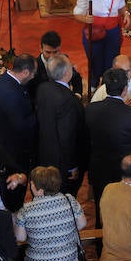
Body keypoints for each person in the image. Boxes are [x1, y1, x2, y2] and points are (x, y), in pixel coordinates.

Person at [85, 68, 131, 226]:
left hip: (99, 170)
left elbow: (84, 140)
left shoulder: (91, 109)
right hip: (125, 173)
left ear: (105, 87)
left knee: (102, 210)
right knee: (125, 214)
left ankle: (102, 247)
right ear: (125, 89)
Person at [14, 165, 88, 261]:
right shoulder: (69, 200)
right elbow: (82, 224)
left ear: (37, 187)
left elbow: (20, 237)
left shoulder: (26, 209)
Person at [73, 0, 131, 93]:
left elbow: (121, 5)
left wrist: (126, 14)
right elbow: (77, 13)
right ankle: (93, 82)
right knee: (95, 59)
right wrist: (85, 19)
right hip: (95, 31)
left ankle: (108, 85)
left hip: (113, 31)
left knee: (112, 60)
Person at [37, 54, 89, 196]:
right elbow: (67, 137)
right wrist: (72, 166)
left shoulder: (42, 89)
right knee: (66, 196)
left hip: (45, 156)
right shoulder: (69, 101)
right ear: (67, 73)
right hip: (62, 165)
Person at [0, 53, 38, 172]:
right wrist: (39, 113)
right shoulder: (12, 94)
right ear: (26, 72)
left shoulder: (1, 80)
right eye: (33, 73)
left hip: (3, 141)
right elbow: (21, 125)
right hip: (13, 150)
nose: (33, 76)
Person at [30, 31, 84, 105]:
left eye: (55, 52)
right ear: (41, 48)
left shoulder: (64, 61)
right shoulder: (34, 67)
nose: (52, 56)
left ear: (60, 48)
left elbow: (76, 78)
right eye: (48, 52)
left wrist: (77, 95)